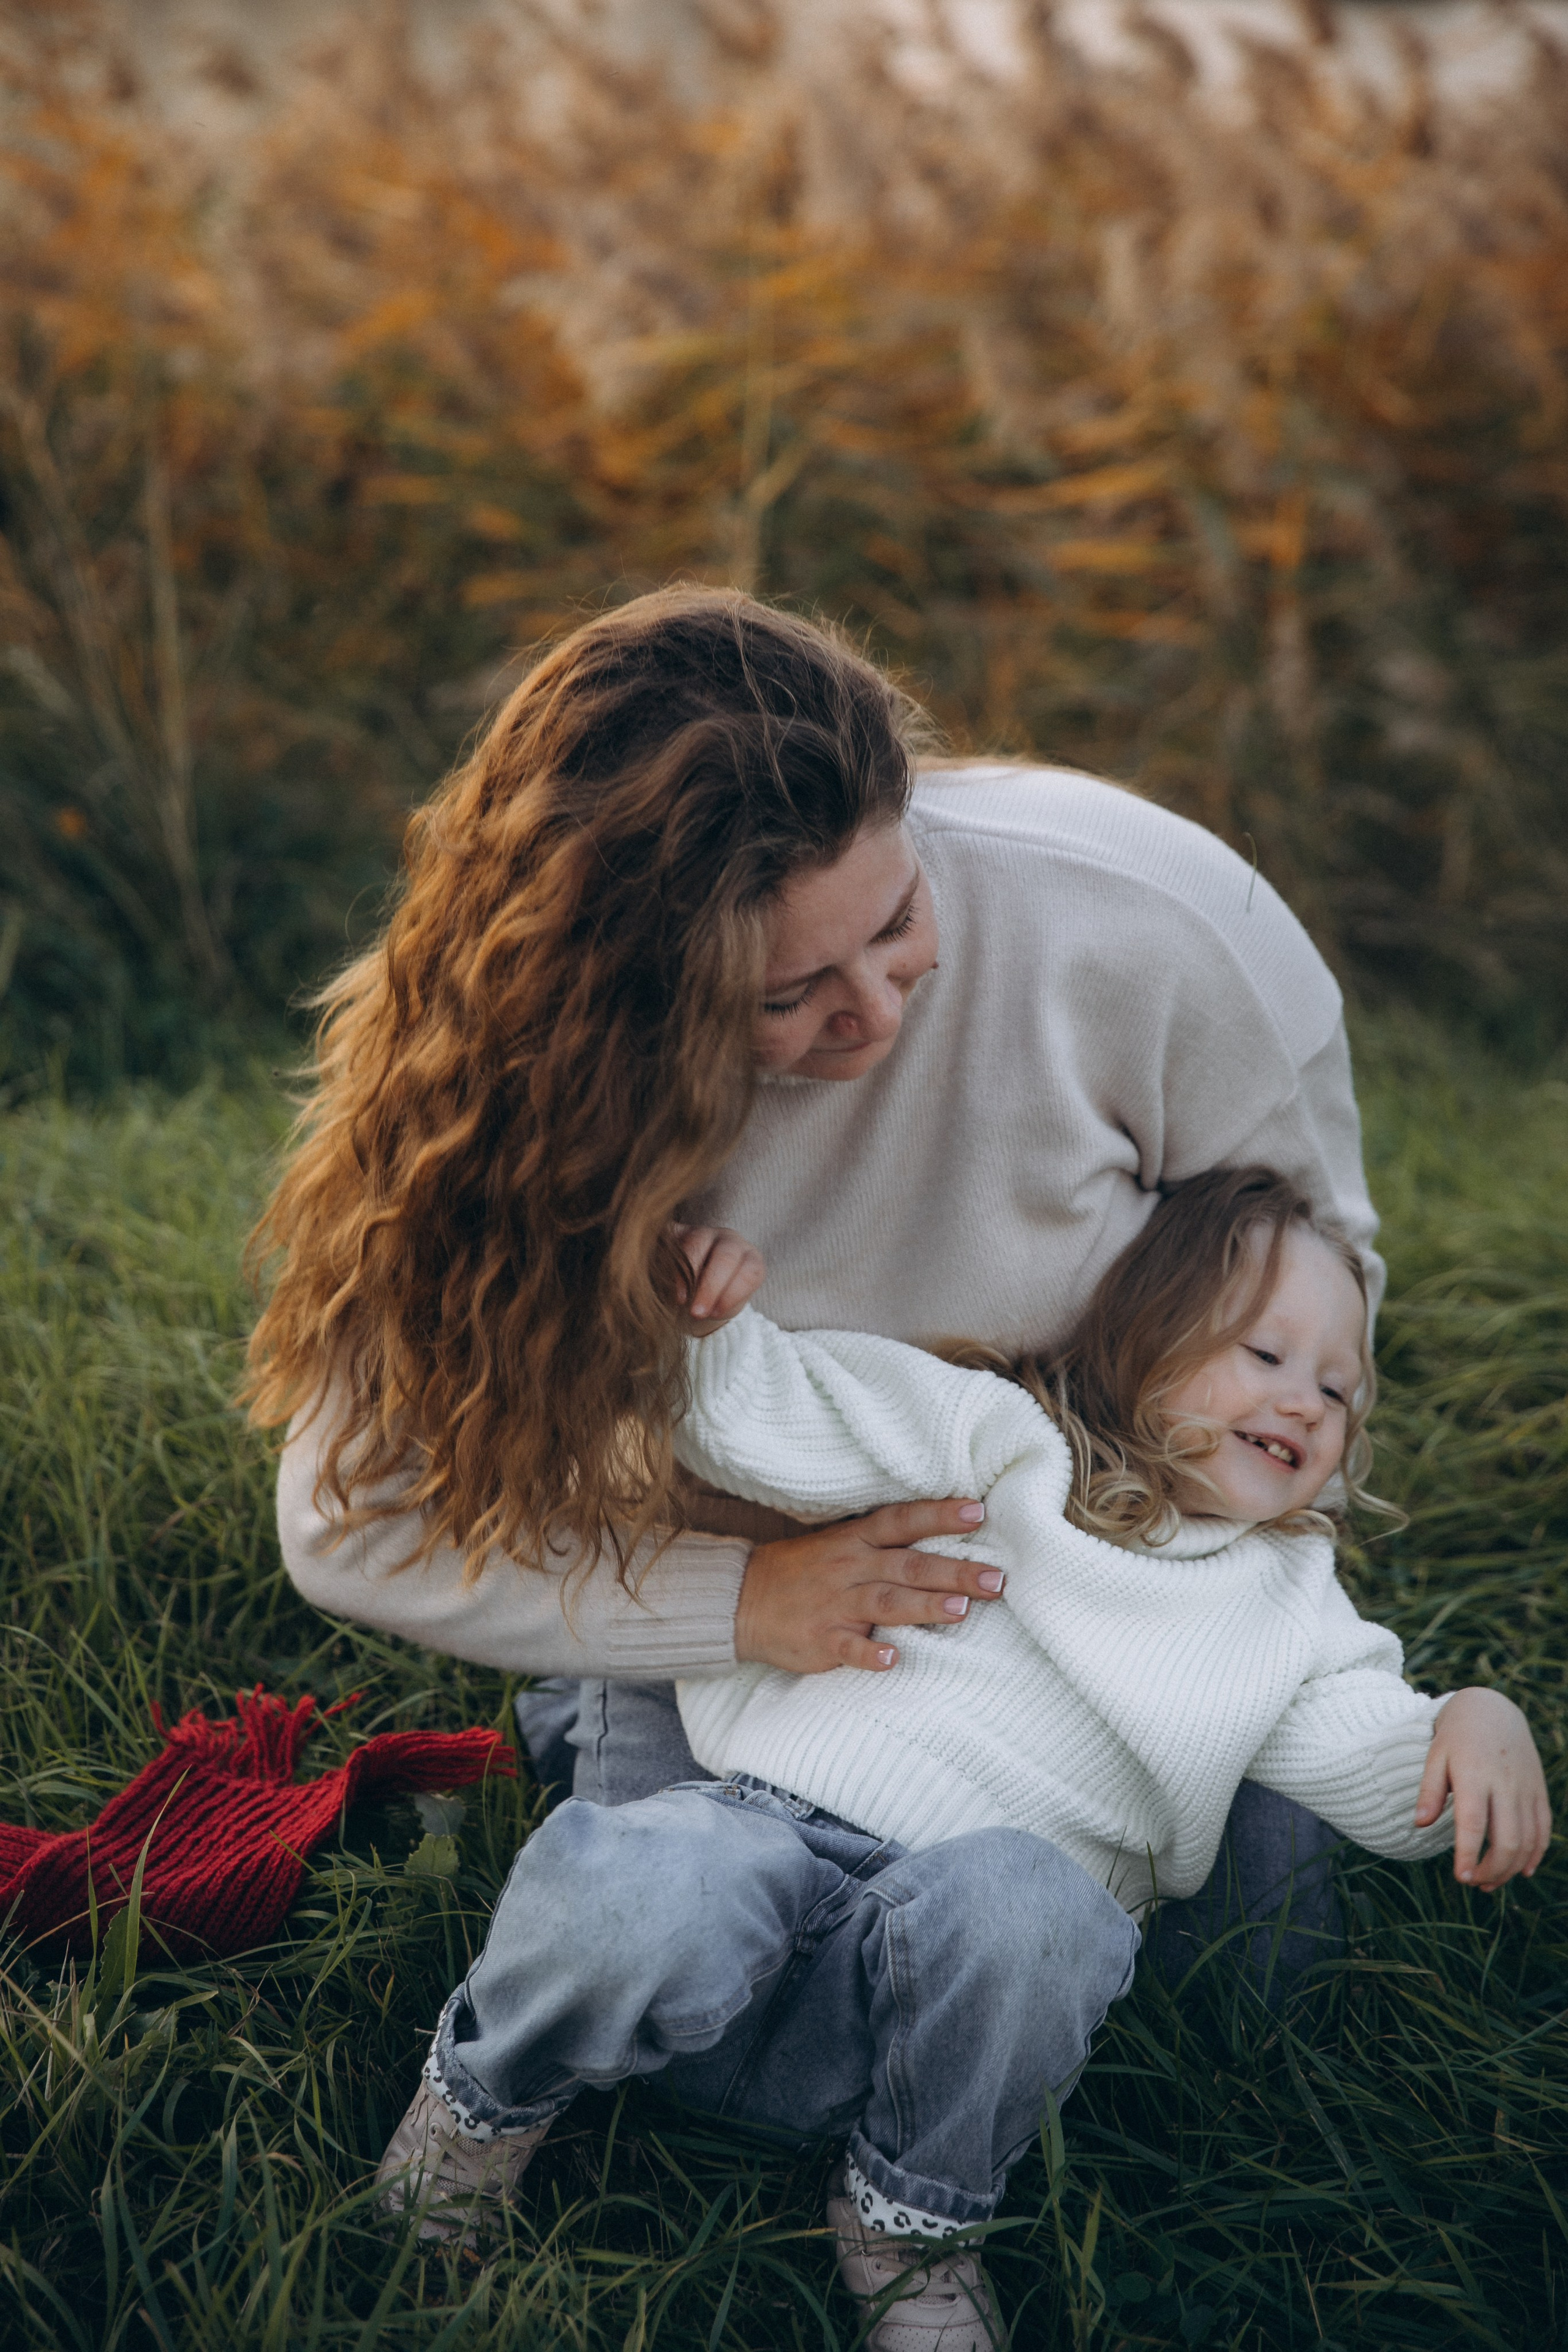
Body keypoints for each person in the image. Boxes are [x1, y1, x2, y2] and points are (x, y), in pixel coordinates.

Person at [249, 585, 1390, 2317]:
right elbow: (354, 1520)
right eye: (787, 997)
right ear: (619, 995)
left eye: (901, 922)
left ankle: (919, 2154)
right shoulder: (538, 1094)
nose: (876, 1013)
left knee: (1264, 1963)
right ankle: (542, 2075)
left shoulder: (1152, 928)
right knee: (684, 1961)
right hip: (755, 1580)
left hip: (1100, 1553)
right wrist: (740, 1596)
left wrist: (1153, 1558)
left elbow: (1316, 1298)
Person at [372, 1169, 1550, 2346]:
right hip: (763, 1842)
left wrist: (1477, 1721)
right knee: (650, 1879)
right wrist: (706, 1331)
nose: (1305, 1402)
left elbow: (1390, 1766)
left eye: (1338, 1388)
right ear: (1147, 1335)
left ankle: (911, 2220)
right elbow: (780, 1413)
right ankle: (481, 2106)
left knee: (1044, 1908)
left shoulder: (1287, 1601)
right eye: (1267, 1354)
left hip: (935, 2017)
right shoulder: (1001, 1440)